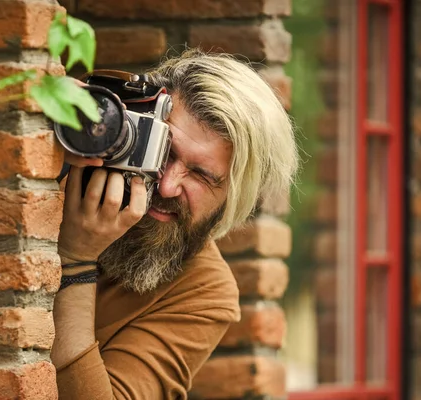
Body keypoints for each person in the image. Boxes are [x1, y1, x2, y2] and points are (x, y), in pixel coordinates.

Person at [51, 48, 299, 399]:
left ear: (236, 196)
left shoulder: (205, 292)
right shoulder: (57, 169)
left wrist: (75, 260)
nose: (166, 184)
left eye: (201, 175)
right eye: (163, 151)